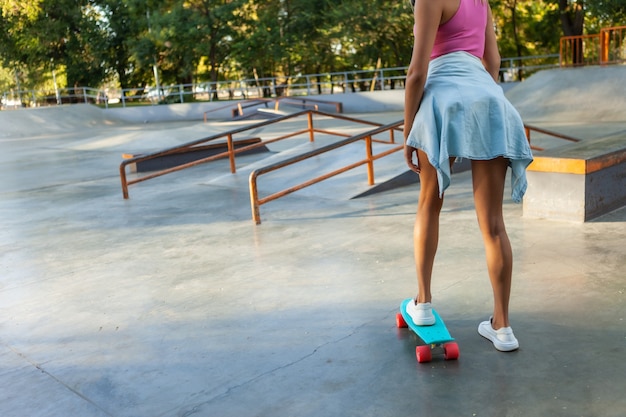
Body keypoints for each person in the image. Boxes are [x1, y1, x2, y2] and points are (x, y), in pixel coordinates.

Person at [402, 0, 533, 352]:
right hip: (490, 99)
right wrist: (480, 99)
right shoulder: (482, 2)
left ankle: (424, 304)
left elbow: (417, 72)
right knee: (493, 223)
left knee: (429, 203)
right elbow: (493, 62)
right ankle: (502, 327)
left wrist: (407, 131)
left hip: (443, 98)